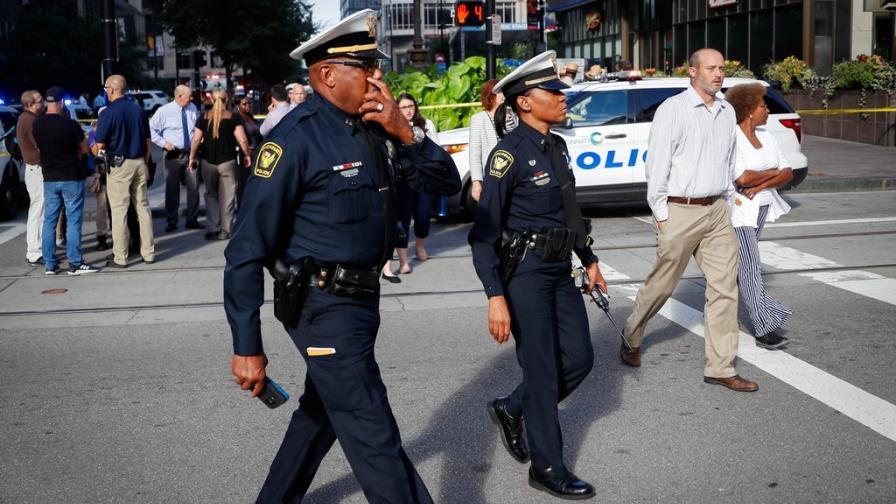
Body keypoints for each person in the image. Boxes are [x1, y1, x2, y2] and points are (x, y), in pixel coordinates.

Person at [223, 10, 460, 503]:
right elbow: (246, 250)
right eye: (365, 67)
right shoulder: (293, 140)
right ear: (327, 75)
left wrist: (407, 133)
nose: (379, 77)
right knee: (374, 433)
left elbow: (447, 187)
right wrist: (247, 344)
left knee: (322, 412)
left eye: (377, 66)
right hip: (321, 306)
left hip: (360, 300)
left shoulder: (376, 127)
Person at [469, 50, 607, 500]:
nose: (563, 99)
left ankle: (512, 406)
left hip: (559, 267)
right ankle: (548, 467)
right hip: (525, 272)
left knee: (580, 358)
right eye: (553, 92)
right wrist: (495, 296)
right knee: (543, 371)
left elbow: (570, 213)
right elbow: (483, 233)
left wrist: (589, 260)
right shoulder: (507, 156)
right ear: (525, 102)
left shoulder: (557, 146)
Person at [620, 48, 758, 392]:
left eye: (722, 68)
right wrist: (663, 216)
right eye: (711, 68)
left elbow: (727, 159)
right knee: (662, 285)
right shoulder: (673, 110)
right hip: (679, 210)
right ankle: (631, 334)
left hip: (716, 212)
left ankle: (720, 366)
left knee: (725, 287)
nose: (718, 74)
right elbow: (657, 166)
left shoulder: (727, 110)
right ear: (692, 73)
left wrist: (728, 200)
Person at [724, 83, 794, 349]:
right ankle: (764, 326)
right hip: (740, 210)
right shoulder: (733, 138)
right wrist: (771, 172)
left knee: (740, 266)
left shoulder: (767, 135)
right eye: (763, 105)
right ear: (749, 110)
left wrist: (761, 184)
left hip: (763, 204)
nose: (767, 109)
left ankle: (720, 306)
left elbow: (787, 171)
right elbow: (741, 177)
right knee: (751, 266)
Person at [32, 86, 98, 275]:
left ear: (46, 102)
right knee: (74, 220)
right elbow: (85, 149)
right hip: (70, 176)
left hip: (49, 177)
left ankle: (50, 264)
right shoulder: (70, 125)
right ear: (61, 102)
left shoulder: (38, 124)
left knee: (50, 221)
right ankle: (75, 263)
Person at [95, 74, 155, 268]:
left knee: (119, 210)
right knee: (143, 208)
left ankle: (120, 257)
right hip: (139, 161)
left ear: (111, 90)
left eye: (106, 88)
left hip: (119, 166)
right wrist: (145, 163)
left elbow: (100, 144)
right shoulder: (138, 110)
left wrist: (93, 150)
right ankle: (148, 253)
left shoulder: (107, 113)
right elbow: (148, 142)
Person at [382, 93, 437, 281]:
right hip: (402, 180)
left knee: (423, 217)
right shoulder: (392, 127)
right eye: (404, 107)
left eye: (411, 106)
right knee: (402, 220)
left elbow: (436, 151)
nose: (408, 110)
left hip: (423, 179)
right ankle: (404, 261)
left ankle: (420, 246)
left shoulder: (426, 125)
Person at [188, 89, 252, 240]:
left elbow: (196, 140)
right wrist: (247, 155)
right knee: (228, 196)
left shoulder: (203, 117)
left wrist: (192, 157)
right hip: (228, 161)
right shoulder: (233, 117)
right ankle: (226, 229)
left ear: (211, 99)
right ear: (226, 99)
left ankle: (212, 228)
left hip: (207, 161)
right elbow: (242, 139)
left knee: (211, 195)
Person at [149, 84, 201, 232]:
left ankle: (192, 219)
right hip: (173, 155)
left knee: (194, 188)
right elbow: (151, 129)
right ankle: (172, 220)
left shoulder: (192, 108)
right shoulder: (164, 111)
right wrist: (164, 143)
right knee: (172, 189)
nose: (192, 98)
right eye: (189, 96)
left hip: (191, 153)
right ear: (179, 96)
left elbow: (196, 128)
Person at [17, 90, 45, 265]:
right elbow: (40, 145)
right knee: (38, 209)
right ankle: (35, 250)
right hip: (37, 168)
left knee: (38, 208)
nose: (43, 103)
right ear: (30, 104)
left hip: (33, 168)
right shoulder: (30, 121)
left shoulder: (24, 119)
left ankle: (37, 247)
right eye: (39, 101)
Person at [468, 79, 505, 203]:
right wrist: (476, 182)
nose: (503, 95)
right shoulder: (478, 119)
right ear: (491, 95)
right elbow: (474, 153)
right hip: (491, 174)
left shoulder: (511, 116)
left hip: (510, 172)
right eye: (499, 91)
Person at [234, 96, 262, 206]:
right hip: (243, 153)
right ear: (238, 106)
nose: (247, 106)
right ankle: (242, 205)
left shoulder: (250, 116)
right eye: (244, 104)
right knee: (243, 181)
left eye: (248, 103)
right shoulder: (236, 117)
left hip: (256, 151)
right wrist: (246, 149)